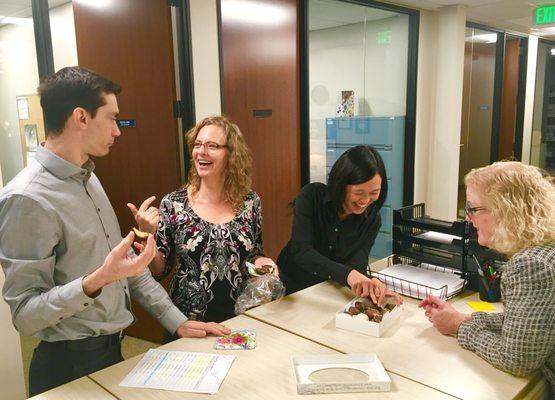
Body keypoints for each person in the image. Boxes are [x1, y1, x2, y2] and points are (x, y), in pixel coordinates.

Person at [0, 67, 230, 396]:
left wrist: (176, 320)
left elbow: (124, 271)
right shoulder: (27, 198)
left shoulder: (88, 178)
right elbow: (24, 315)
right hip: (68, 367)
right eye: (112, 118)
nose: (118, 131)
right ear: (81, 117)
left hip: (111, 353)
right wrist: (96, 281)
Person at [130, 115, 276, 341]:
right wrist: (148, 235)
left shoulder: (250, 201)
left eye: (212, 146)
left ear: (231, 154)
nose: (201, 152)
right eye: (197, 145)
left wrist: (263, 264)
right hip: (190, 324)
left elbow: (255, 252)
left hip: (239, 318)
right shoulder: (174, 203)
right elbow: (160, 270)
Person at [419, 162, 555, 394]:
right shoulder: (545, 249)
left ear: (505, 210)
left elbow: (516, 360)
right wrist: (466, 318)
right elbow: (531, 323)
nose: (469, 218)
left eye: (473, 208)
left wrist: (460, 328)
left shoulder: (531, 264)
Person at [277, 145, 396, 305]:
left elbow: (357, 265)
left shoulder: (372, 219)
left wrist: (370, 283)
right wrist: (348, 274)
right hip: (290, 289)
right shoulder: (311, 196)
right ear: (341, 184)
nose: (366, 200)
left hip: (328, 292)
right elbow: (302, 252)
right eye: (359, 193)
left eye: (374, 193)